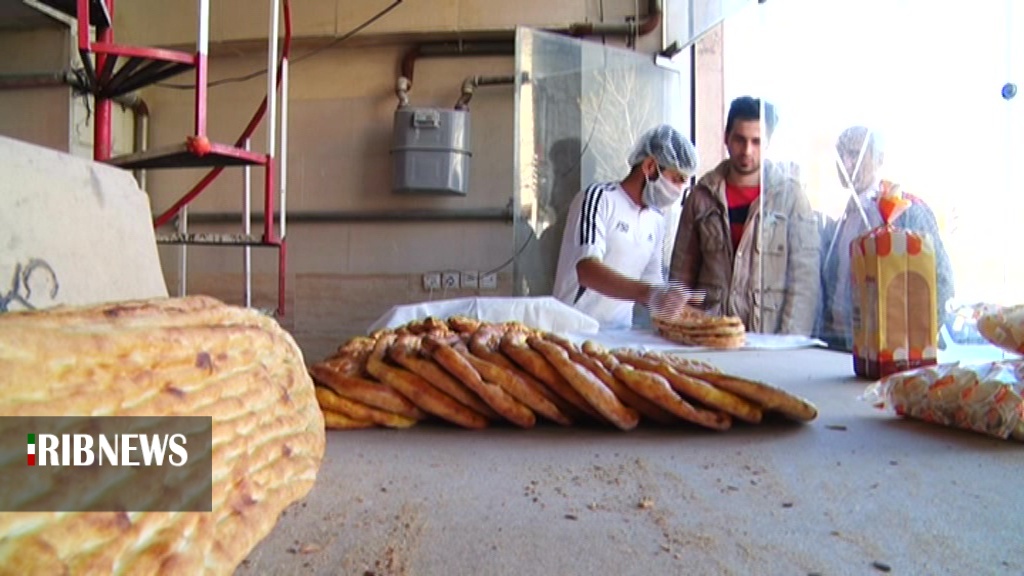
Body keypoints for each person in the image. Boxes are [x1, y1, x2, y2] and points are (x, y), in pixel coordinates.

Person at [669, 96, 820, 334]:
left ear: (767, 143)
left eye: (756, 141)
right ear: (726, 138)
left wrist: (788, 343)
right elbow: (681, 278)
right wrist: (685, 332)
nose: (747, 150)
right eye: (740, 139)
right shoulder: (702, 197)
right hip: (712, 338)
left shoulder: (791, 199)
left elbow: (805, 282)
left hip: (770, 339)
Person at [817, 125, 955, 351]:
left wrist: (910, 345)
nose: (847, 163)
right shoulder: (841, 220)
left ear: (878, 159)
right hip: (838, 344)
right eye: (841, 155)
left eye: (855, 154)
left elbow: (942, 281)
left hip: (887, 352)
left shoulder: (905, 211)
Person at [552, 124, 699, 329]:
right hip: (573, 331)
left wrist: (678, 306)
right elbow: (586, 269)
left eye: (684, 183)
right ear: (650, 166)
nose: (679, 190)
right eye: (676, 179)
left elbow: (653, 282)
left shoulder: (656, 220)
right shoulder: (599, 198)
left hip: (620, 334)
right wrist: (649, 293)